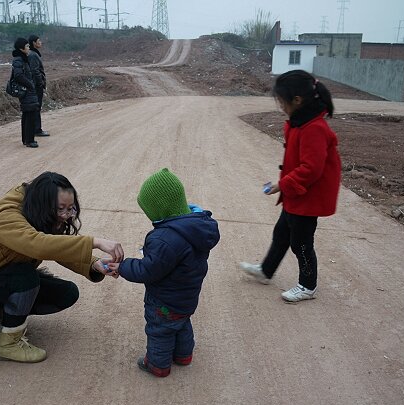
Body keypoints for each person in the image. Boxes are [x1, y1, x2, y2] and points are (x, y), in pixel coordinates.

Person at [0, 172, 124, 366]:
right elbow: (39, 245)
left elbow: (56, 248)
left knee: (67, 293)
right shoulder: (5, 218)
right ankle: (9, 343)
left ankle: (1, 317)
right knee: (25, 277)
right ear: (43, 204)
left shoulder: (39, 213)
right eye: (61, 209)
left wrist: (94, 264)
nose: (66, 216)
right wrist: (94, 242)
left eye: (71, 209)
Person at [240, 69, 341, 303]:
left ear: (298, 100)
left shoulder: (314, 128)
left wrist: (283, 184)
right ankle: (266, 271)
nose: (280, 106)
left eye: (282, 102)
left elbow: (312, 169)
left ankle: (308, 286)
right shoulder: (300, 122)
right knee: (281, 234)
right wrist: (284, 184)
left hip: (308, 197)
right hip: (297, 195)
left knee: (301, 243)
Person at [108, 168, 220, 377]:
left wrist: (123, 267)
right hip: (187, 296)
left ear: (159, 209)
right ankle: (183, 355)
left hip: (164, 301)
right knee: (182, 323)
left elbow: (148, 270)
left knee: (160, 330)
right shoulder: (196, 226)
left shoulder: (165, 239)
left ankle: (158, 364)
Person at [11, 37, 40, 148]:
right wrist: (30, 84)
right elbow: (18, 75)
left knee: (28, 114)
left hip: (28, 91)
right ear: (21, 48)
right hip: (26, 92)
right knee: (30, 115)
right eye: (27, 46)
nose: (29, 48)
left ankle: (27, 139)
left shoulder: (23, 58)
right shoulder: (19, 60)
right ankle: (29, 140)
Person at [28, 34, 50, 138]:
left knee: (37, 107)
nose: (41, 42)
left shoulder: (34, 54)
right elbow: (35, 71)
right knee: (36, 107)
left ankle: (36, 129)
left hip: (36, 85)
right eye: (39, 41)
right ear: (34, 43)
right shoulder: (33, 55)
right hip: (36, 86)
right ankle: (37, 129)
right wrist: (40, 83)